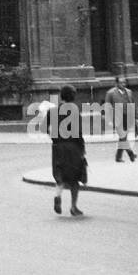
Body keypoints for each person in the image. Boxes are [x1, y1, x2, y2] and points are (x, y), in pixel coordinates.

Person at [48, 84, 86, 216]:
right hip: (72, 147)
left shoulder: (52, 111)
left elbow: (48, 130)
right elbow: (78, 132)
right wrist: (82, 149)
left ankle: (57, 195)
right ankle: (73, 207)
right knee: (75, 179)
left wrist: (55, 140)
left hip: (58, 147)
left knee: (60, 177)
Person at [106, 75, 137, 163]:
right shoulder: (110, 93)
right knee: (123, 136)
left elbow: (133, 105)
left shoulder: (129, 92)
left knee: (123, 137)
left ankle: (118, 157)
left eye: (124, 82)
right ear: (116, 83)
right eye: (121, 82)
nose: (123, 84)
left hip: (128, 117)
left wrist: (136, 117)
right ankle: (131, 154)